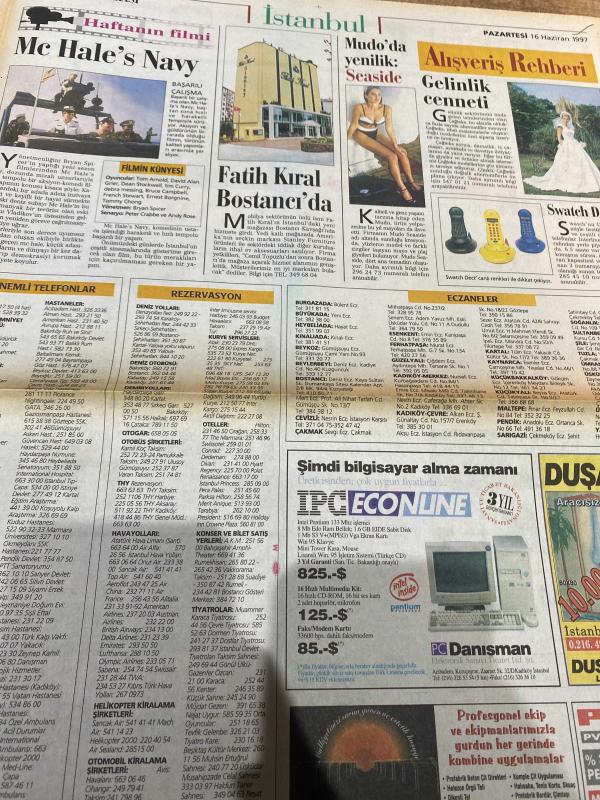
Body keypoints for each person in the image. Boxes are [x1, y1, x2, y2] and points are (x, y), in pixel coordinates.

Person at [347, 85, 422, 203]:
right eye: (373, 94)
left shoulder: (387, 109)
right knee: (392, 156)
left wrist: (396, 146)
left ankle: (411, 182)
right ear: (366, 95)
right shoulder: (359, 108)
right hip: (360, 134)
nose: (377, 97)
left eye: (379, 94)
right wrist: (345, 141)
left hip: (375, 132)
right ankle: (401, 188)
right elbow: (354, 126)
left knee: (401, 153)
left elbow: (389, 128)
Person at [524, 110, 600, 194]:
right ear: (562, 118)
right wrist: (564, 147)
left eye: (567, 118)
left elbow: (572, 137)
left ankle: (582, 181)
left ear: (569, 119)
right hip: (566, 145)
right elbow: (559, 139)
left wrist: (577, 144)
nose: (565, 119)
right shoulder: (560, 126)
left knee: (580, 162)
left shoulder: (570, 127)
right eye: (564, 117)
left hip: (574, 145)